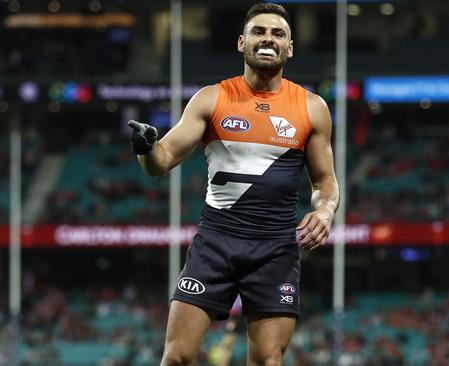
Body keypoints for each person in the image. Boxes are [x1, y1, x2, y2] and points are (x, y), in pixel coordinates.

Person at [128, 3, 339, 365]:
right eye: (259, 31)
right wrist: (146, 148)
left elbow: (325, 182)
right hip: (216, 245)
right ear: (242, 42)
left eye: (278, 34)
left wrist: (325, 210)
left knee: (267, 360)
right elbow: (160, 162)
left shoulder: (311, 107)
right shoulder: (212, 99)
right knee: (176, 357)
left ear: (290, 48)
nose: (267, 39)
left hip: (275, 250)